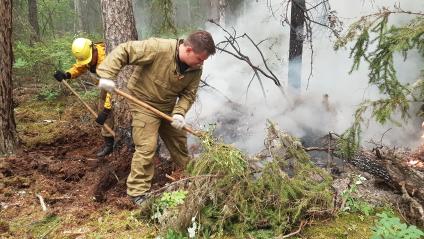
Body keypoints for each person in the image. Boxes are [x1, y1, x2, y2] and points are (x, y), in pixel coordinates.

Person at [96, 30, 215, 205]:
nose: (201, 64)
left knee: (179, 142)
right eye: (200, 59)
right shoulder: (159, 48)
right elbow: (125, 50)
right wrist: (107, 75)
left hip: (166, 107)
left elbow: (188, 95)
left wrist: (179, 113)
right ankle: (138, 192)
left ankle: (197, 176)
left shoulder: (195, 68)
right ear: (188, 49)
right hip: (143, 102)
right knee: (147, 145)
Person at [53, 38, 115, 157]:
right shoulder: (89, 55)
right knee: (102, 108)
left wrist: (107, 110)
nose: (89, 63)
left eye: (90, 60)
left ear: (94, 49)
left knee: (107, 110)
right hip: (105, 85)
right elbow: (79, 67)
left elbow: (113, 89)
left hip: (117, 86)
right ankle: (109, 144)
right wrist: (67, 74)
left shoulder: (106, 60)